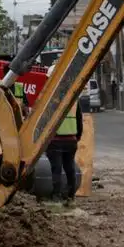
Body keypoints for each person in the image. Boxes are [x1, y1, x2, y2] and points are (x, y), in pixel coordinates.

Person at [45, 65, 84, 204]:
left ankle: (56, 196)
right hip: (71, 140)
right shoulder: (74, 96)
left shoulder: (50, 96)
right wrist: (77, 136)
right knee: (69, 168)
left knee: (56, 169)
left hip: (55, 140)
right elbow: (79, 118)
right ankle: (70, 195)